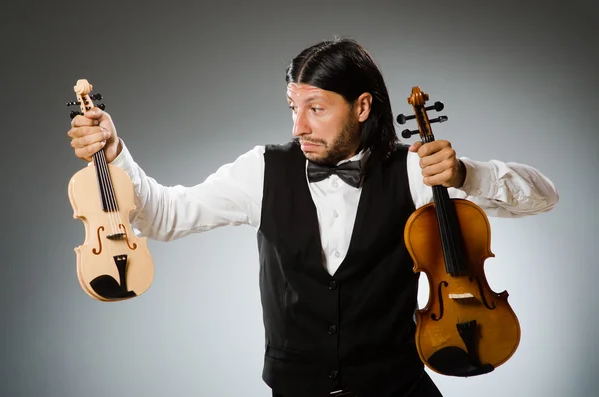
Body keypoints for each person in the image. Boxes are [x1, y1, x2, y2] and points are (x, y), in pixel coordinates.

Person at [67, 38, 559, 397]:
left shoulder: (412, 169)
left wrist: (466, 174)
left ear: (362, 106)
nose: (299, 126)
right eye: (292, 107)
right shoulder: (261, 169)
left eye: (316, 108)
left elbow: (542, 196)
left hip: (396, 390)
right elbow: (164, 217)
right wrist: (116, 153)